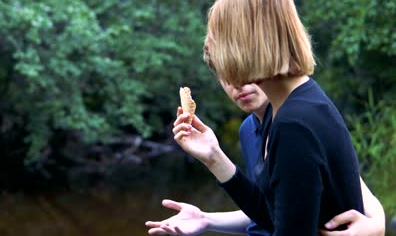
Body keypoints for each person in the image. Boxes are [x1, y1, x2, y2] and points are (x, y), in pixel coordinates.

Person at [154, 0, 382, 235]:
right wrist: (215, 160)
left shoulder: (294, 125)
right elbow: (275, 216)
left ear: (248, 41)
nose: (221, 59)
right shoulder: (294, 106)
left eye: (224, 41)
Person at [145, 83, 385, 235]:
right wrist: (206, 219)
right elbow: (274, 210)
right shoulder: (248, 130)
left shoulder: (298, 122)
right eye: (227, 75)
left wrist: (377, 223)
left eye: (246, 70)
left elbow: (354, 183)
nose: (239, 84)